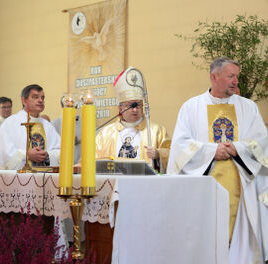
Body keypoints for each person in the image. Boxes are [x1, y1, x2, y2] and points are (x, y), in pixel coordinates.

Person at [167, 57, 268, 263]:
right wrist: (212, 151)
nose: (235, 81)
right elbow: (180, 146)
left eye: (236, 77)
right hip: (205, 182)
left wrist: (237, 148)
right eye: (231, 76)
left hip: (240, 183)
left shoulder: (248, 107)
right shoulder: (191, 107)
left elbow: (261, 141)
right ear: (214, 77)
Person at [96, 66, 171, 173]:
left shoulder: (157, 131)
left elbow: (173, 156)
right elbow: (93, 160)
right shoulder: (106, 134)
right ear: (120, 108)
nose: (135, 110)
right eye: (131, 105)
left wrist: (159, 154)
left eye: (138, 105)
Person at [0, 84, 60, 170]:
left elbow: (60, 150)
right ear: (24, 100)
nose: (40, 100)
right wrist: (27, 155)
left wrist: (47, 155)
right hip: (16, 180)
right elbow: (1, 153)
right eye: (35, 97)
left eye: (42, 98)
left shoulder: (47, 126)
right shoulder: (11, 123)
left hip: (42, 178)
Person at [52, 97, 81, 164]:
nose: (70, 105)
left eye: (72, 103)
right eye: (67, 103)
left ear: (76, 106)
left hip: (80, 164)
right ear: (62, 106)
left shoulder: (84, 123)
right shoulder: (54, 125)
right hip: (62, 164)